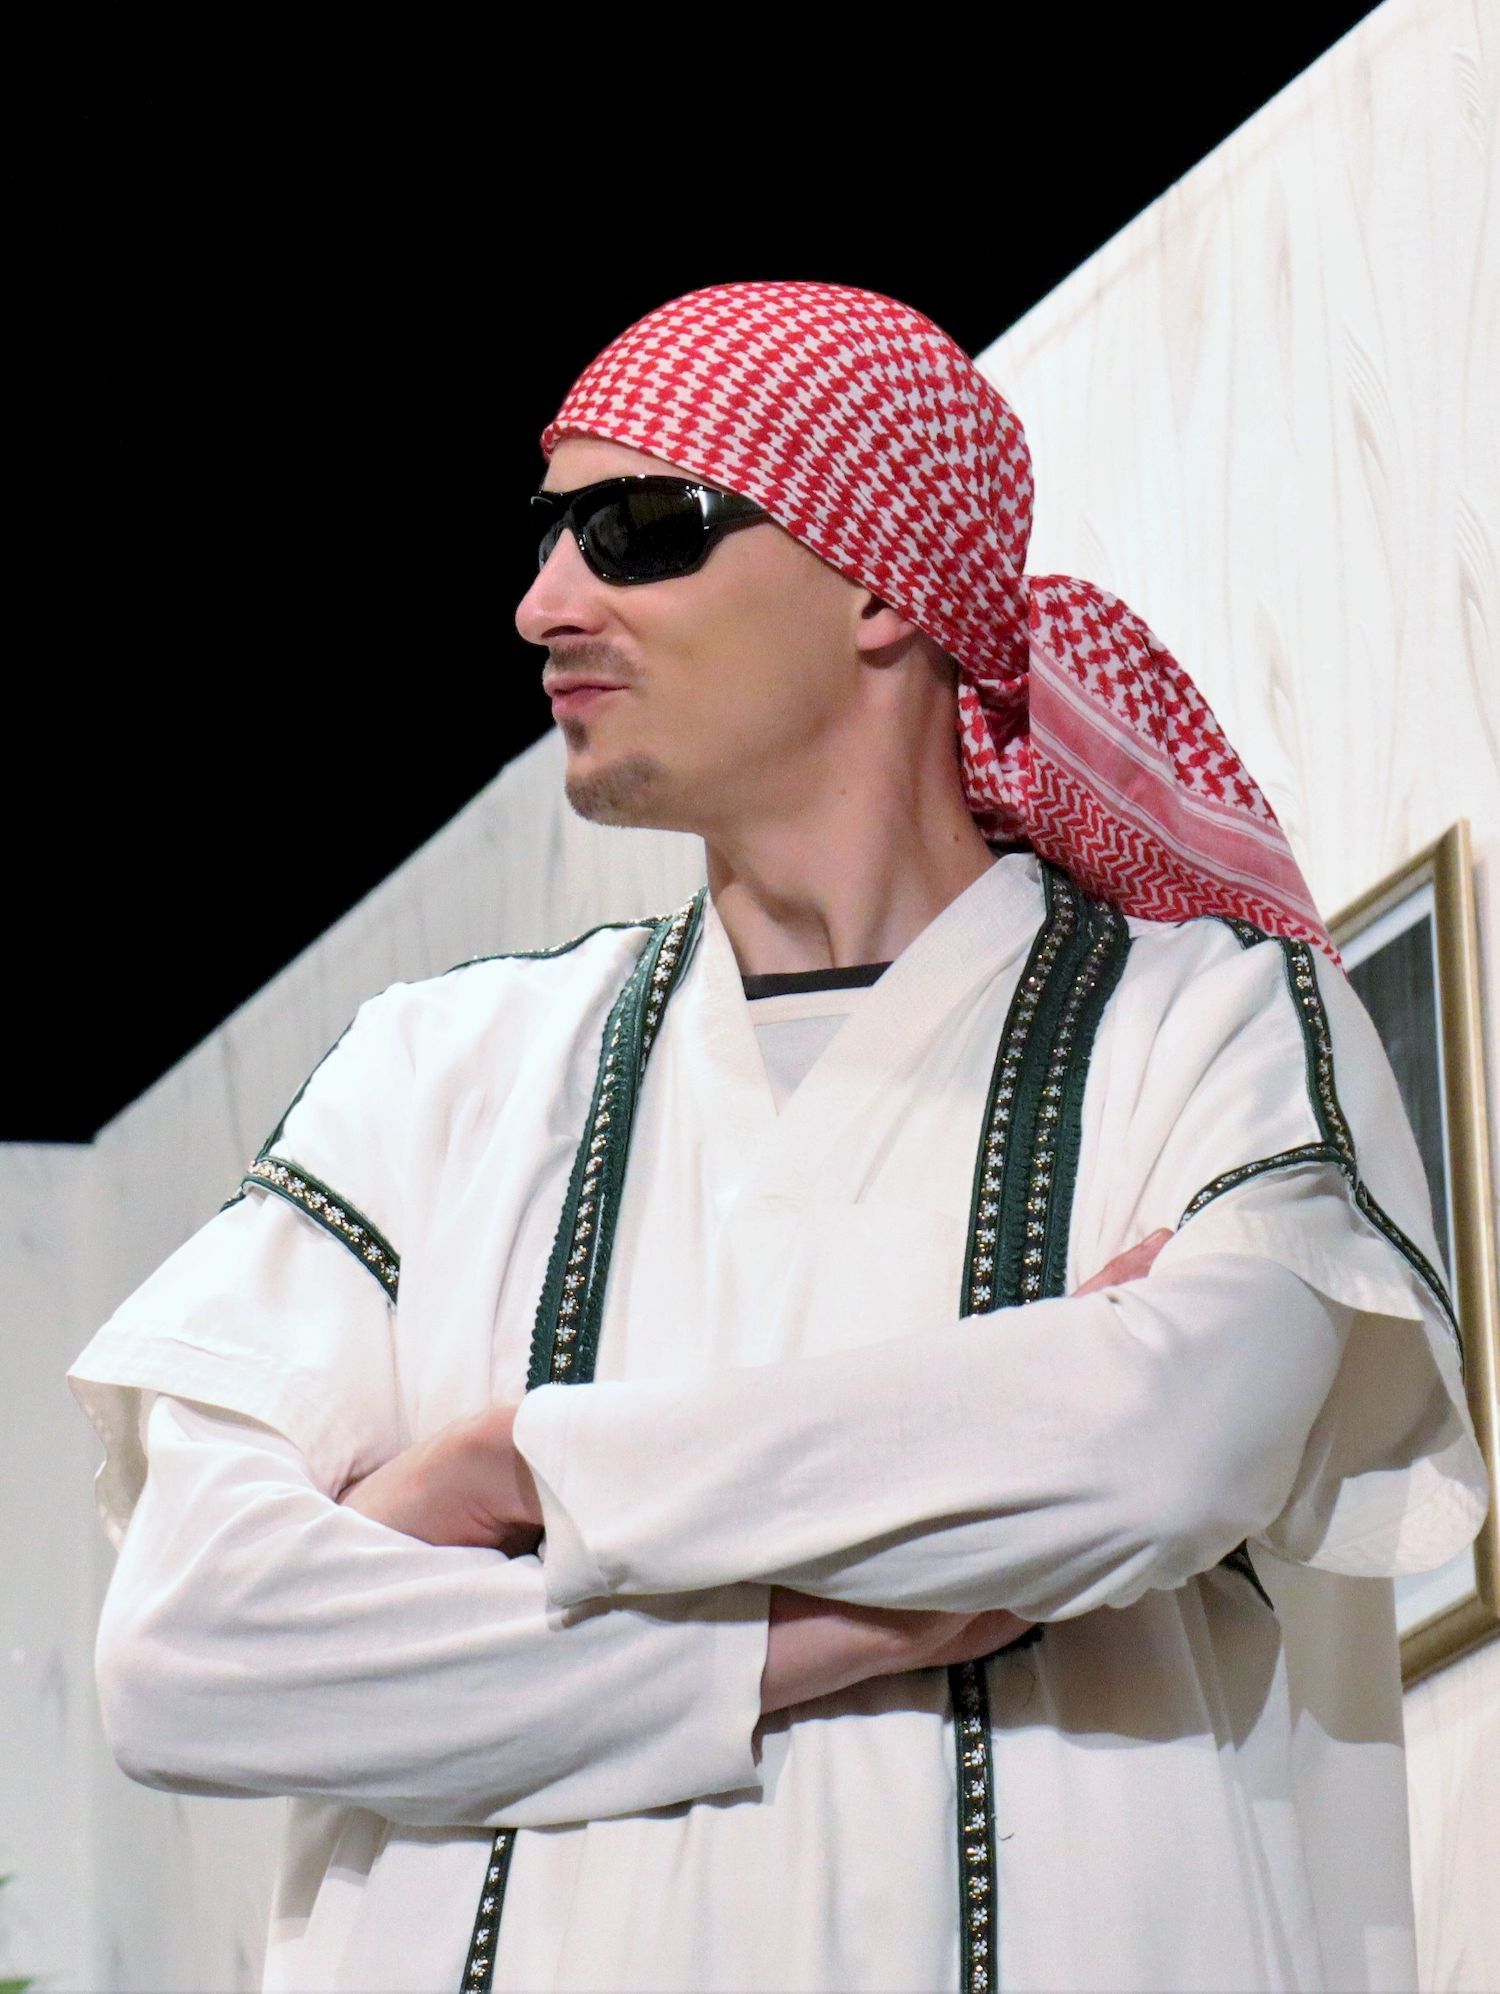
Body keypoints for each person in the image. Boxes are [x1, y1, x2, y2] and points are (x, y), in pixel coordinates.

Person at [69, 280, 1486, 1994]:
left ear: (884, 581)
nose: (545, 602)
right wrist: (806, 1638)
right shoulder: (439, 1073)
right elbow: (190, 1646)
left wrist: (522, 1471)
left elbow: (1160, 1446)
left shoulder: (1206, 1021)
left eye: (637, 527)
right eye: (545, 536)